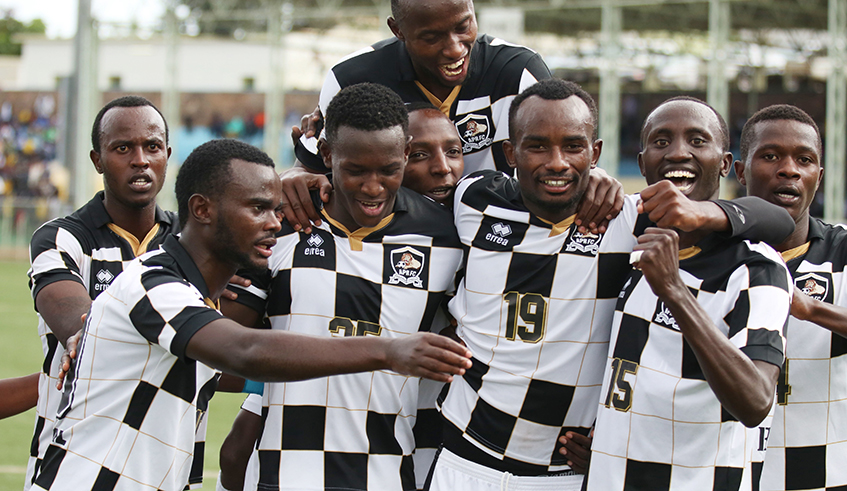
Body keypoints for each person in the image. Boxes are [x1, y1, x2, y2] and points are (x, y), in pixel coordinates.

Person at [30, 138, 472, 491]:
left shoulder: (198, 296)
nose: (275, 223)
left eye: (276, 209)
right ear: (202, 210)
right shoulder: (151, 284)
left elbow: (243, 367)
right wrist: (389, 350)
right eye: (258, 208)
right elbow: (244, 351)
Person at [428, 81, 794, 490]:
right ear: (511, 153)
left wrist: (701, 212)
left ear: (594, 152)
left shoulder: (626, 220)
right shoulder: (474, 200)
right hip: (462, 456)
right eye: (536, 147)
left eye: (572, 146)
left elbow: (778, 220)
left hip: (564, 474)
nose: (556, 163)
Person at [220, 84, 464, 491]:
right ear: (329, 155)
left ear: (405, 153)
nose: (373, 187)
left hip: (386, 476)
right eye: (355, 170)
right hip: (280, 477)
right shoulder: (281, 227)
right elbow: (224, 348)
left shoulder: (446, 239)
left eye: (388, 169)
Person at [583, 98, 792, 490]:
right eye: (661, 141)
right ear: (642, 164)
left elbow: (755, 400)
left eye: (698, 141)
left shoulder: (756, 268)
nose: (679, 151)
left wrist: (676, 291)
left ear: (726, 164)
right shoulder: (624, 234)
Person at [279, 0, 560, 233]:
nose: (454, 49)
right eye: (431, 37)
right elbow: (314, 174)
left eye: (463, 27)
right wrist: (297, 177)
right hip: (392, 245)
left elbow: (568, 158)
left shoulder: (519, 72)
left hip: (502, 237)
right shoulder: (351, 78)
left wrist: (596, 179)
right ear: (397, 29)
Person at [25, 95, 180, 490]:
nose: (140, 159)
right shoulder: (61, 238)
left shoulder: (194, 243)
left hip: (166, 467)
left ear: (167, 154)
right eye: (122, 148)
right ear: (98, 160)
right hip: (72, 464)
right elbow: (83, 329)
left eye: (152, 147)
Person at [735, 105, 847, 491]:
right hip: (727, 474)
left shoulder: (842, 251)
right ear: (739, 170)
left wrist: (810, 309)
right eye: (770, 156)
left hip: (823, 478)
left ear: (819, 175)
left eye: (805, 159)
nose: (789, 169)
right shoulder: (711, 259)